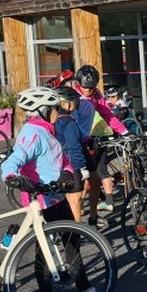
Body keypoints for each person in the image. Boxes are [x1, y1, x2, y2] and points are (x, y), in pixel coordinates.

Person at [1, 86, 105, 292]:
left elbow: (64, 157)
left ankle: (84, 291)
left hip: (56, 194)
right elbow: (13, 161)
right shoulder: (32, 133)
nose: (58, 111)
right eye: (55, 108)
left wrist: (68, 171)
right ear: (44, 110)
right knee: (44, 248)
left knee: (71, 241)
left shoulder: (49, 130)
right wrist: (13, 177)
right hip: (40, 199)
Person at [71, 65, 129, 223]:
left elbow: (107, 114)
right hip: (73, 142)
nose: (89, 91)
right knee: (77, 186)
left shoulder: (96, 95)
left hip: (87, 140)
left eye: (92, 88)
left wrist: (124, 131)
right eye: (86, 88)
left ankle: (93, 217)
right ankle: (74, 225)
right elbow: (71, 124)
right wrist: (85, 138)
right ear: (78, 84)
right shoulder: (73, 97)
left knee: (95, 181)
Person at [53, 87, 88, 221]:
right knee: (75, 202)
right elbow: (74, 146)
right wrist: (81, 167)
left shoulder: (54, 121)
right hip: (71, 165)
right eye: (72, 100)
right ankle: (77, 234)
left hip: (58, 164)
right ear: (63, 103)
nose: (75, 103)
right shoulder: (69, 122)